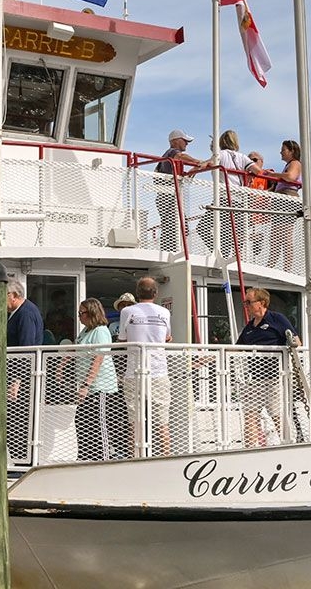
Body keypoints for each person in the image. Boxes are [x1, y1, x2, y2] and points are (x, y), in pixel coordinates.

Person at [235, 287, 301, 447]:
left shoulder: (277, 319)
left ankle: (287, 446)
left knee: (276, 415)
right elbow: (236, 348)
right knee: (250, 414)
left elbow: (297, 341)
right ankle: (250, 449)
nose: (246, 305)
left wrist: (289, 347)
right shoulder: (250, 327)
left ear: (261, 303)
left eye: (249, 302)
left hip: (274, 378)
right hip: (254, 379)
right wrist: (208, 358)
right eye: (245, 302)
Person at [118, 277, 172, 456]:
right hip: (158, 371)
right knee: (162, 422)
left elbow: (122, 339)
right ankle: (165, 459)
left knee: (135, 421)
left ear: (137, 293)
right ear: (156, 293)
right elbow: (167, 337)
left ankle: (136, 459)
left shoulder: (127, 311)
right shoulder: (164, 312)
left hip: (134, 372)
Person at [74, 298, 129, 461]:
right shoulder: (85, 331)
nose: (79, 316)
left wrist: (86, 384)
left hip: (100, 387)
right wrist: (63, 364)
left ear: (91, 313)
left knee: (99, 425)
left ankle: (103, 459)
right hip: (88, 388)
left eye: (81, 313)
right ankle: (85, 458)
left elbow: (98, 359)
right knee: (81, 422)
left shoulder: (101, 331)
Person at [200, 130, 263, 253]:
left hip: (223, 198)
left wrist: (194, 169)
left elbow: (208, 163)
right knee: (232, 233)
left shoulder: (221, 154)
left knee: (203, 228)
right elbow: (258, 171)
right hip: (239, 200)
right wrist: (250, 175)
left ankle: (219, 253)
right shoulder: (242, 157)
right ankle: (231, 257)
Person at [6, 279, 43, 461]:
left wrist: (16, 381)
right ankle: (19, 460)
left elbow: (26, 348)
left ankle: (23, 462)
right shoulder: (19, 312)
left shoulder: (26, 313)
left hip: (24, 379)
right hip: (21, 376)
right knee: (14, 421)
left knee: (19, 421)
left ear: (13, 295)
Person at [156, 129, 207, 252]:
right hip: (168, 197)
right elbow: (180, 156)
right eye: (185, 140)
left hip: (168, 197)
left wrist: (197, 168)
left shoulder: (168, 157)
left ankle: (170, 251)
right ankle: (170, 252)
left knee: (176, 227)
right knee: (174, 227)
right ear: (175, 141)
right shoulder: (171, 152)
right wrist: (198, 162)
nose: (187, 143)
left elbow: (184, 177)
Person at [267, 139, 303, 270]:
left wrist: (273, 175)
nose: (281, 152)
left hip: (287, 198)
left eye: (283, 150)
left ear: (291, 151)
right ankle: (271, 265)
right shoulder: (290, 164)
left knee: (285, 235)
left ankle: (286, 268)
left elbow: (291, 176)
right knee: (275, 236)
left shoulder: (295, 163)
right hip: (282, 198)